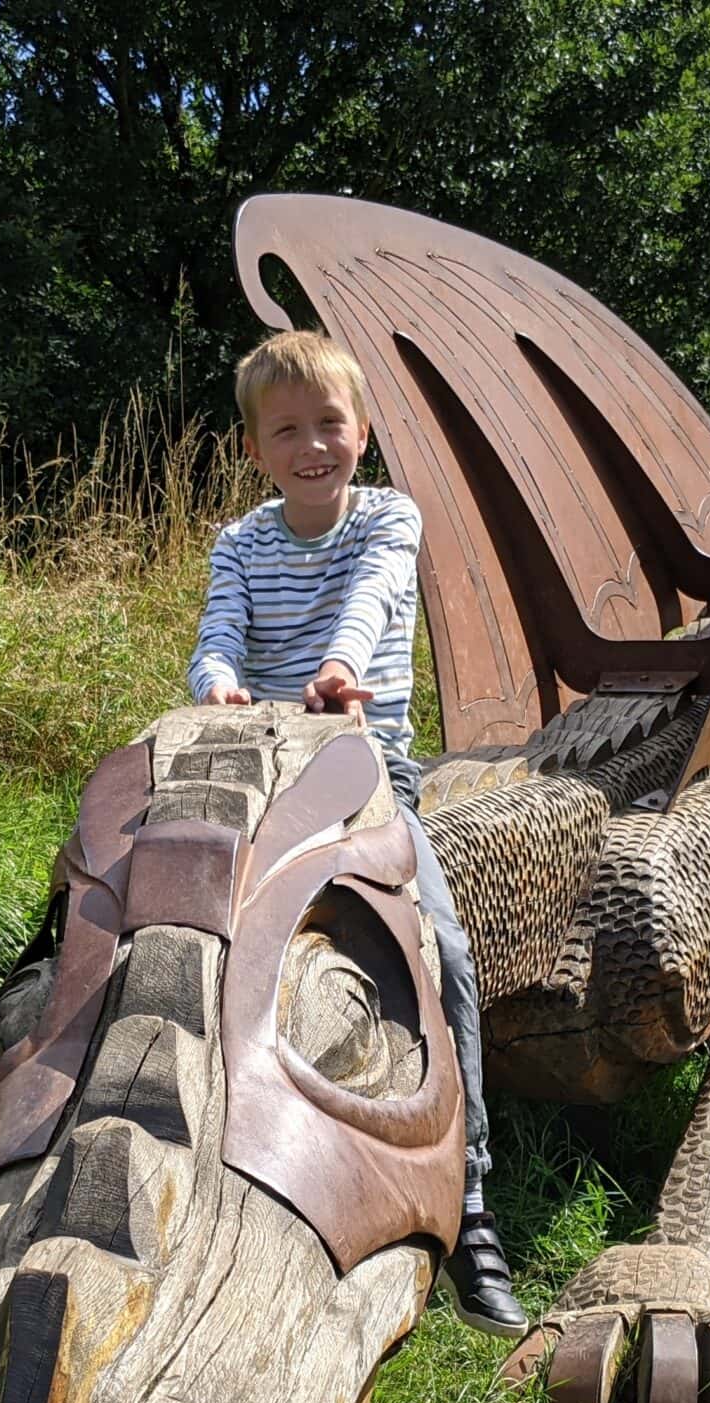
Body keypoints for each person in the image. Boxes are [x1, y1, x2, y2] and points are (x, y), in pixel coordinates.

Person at [189, 329, 524, 1337]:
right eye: (285, 430)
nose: (311, 446)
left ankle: (468, 1202)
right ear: (256, 450)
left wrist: (337, 674)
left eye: (328, 424)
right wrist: (217, 684)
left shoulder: (387, 517)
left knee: (447, 953)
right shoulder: (242, 543)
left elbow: (373, 604)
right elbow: (218, 634)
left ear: (362, 433)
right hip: (262, 760)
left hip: (364, 766)